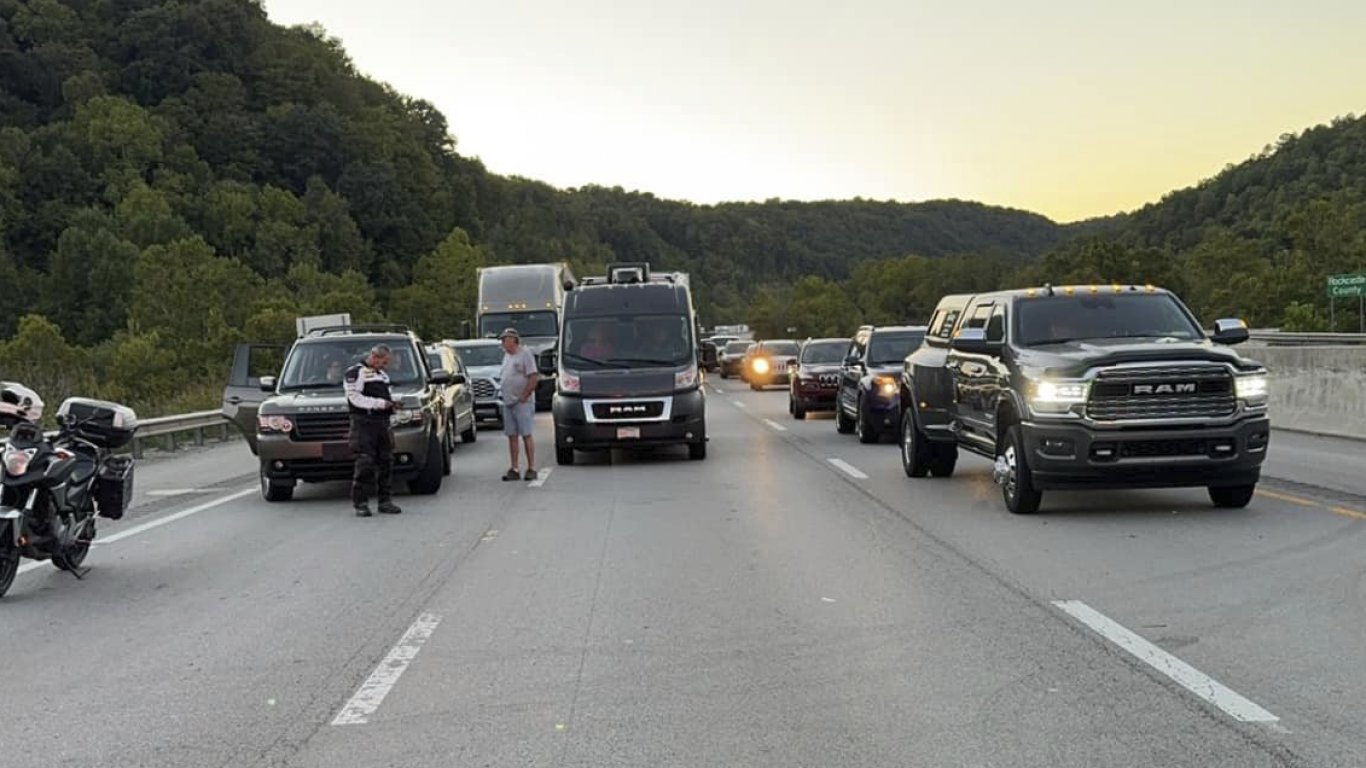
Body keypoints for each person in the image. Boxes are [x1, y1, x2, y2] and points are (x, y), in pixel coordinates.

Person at [344, 344, 403, 517]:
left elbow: (386, 397)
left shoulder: (382, 375)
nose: (384, 366)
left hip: (382, 422)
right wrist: (380, 404)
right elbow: (355, 398)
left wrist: (393, 403)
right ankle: (360, 502)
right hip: (364, 422)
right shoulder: (355, 372)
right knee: (365, 462)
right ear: (375, 357)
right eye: (383, 362)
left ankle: (385, 501)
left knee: (386, 461)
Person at [498, 328, 539, 481]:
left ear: (513, 340)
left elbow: (533, 377)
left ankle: (531, 467)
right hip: (508, 401)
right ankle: (514, 467)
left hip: (522, 402)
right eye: (502, 340)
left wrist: (525, 395)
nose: (503, 343)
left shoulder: (525, 354)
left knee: (526, 434)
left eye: (505, 340)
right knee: (512, 435)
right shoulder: (506, 356)